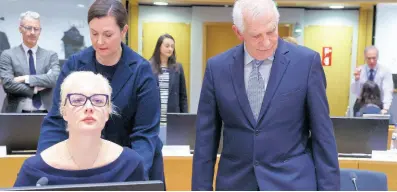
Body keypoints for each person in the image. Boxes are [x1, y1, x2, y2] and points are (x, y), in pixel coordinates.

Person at [191, 0, 340, 190]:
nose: (266, 42)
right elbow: (205, 141)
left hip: (292, 183)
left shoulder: (306, 63)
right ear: (238, 32)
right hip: (236, 183)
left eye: (271, 31)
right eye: (256, 36)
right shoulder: (217, 68)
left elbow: (323, 136)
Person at [36, 0, 164, 184]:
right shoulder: (75, 65)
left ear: (124, 31)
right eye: (94, 33)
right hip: (84, 163)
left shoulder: (141, 71)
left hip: (131, 164)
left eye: (108, 34)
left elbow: (144, 134)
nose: (99, 41)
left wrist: (134, 178)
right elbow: (56, 121)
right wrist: (43, 167)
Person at [14, 71, 145, 186]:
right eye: (77, 100)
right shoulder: (35, 170)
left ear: (107, 112)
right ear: (63, 111)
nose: (89, 107)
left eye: (98, 101)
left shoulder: (130, 165)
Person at [0, 11, 60, 113]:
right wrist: (35, 89)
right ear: (20, 29)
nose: (32, 32)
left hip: (46, 113)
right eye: (28, 28)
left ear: (40, 31)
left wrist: (25, 78)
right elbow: (8, 84)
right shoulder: (8, 55)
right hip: (16, 113)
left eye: (36, 29)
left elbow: (55, 78)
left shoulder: (51, 56)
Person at [149, 34, 188, 143]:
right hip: (154, 119)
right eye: (167, 46)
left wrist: (184, 119)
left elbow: (183, 96)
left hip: (173, 119)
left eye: (172, 46)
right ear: (159, 47)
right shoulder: (148, 66)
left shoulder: (177, 67)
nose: (170, 49)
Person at [352, 46, 394, 116]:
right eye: (369, 58)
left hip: (378, 104)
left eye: (374, 58)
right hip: (361, 104)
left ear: (377, 57)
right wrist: (357, 80)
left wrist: (385, 108)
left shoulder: (385, 71)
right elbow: (354, 92)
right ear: (365, 58)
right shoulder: (359, 70)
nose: (371, 61)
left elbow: (387, 91)